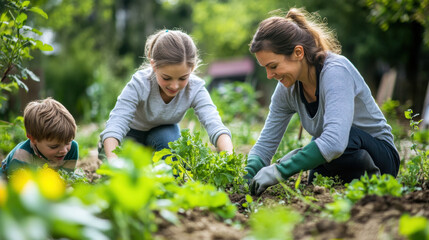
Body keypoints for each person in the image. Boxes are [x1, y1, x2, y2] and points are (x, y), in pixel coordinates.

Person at [244, 8, 400, 196]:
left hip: (380, 157)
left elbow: (335, 141)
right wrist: (246, 179)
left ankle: (370, 183)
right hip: (335, 158)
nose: (269, 75)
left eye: (273, 66)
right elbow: (265, 144)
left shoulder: (335, 72)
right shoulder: (287, 88)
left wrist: (280, 169)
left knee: (342, 137)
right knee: (314, 180)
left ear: (298, 52)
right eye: (265, 69)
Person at [99, 29, 233, 162]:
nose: (174, 86)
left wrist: (228, 158)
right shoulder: (140, 83)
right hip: (130, 135)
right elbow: (116, 125)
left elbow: (215, 125)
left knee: (172, 156)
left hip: (163, 136)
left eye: (182, 78)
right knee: (122, 171)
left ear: (192, 69)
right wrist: (113, 161)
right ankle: (107, 153)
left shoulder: (195, 88)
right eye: (166, 78)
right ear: (153, 65)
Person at [1, 97, 79, 178]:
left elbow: (66, 178)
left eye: (68, 142)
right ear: (33, 139)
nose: (64, 151)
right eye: (54, 146)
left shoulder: (72, 148)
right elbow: (17, 188)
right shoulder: (21, 156)